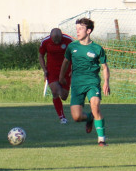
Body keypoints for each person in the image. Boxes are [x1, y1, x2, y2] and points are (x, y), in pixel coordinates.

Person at [59, 17, 110, 145]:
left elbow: (104, 67)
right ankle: (89, 118)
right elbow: (66, 62)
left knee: (95, 106)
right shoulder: (72, 47)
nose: (78, 31)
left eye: (81, 29)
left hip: (92, 83)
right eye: (77, 29)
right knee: (76, 117)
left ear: (89, 31)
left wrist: (106, 82)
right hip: (76, 84)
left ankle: (101, 140)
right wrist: (61, 77)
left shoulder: (97, 48)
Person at [39, 28, 73, 123]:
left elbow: (76, 55)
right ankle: (62, 117)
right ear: (51, 37)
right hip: (52, 71)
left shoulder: (69, 41)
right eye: (55, 40)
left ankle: (63, 114)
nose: (57, 42)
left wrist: (74, 69)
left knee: (64, 96)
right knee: (54, 91)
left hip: (66, 71)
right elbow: (41, 55)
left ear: (62, 36)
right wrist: (45, 70)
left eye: (59, 40)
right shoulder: (45, 42)